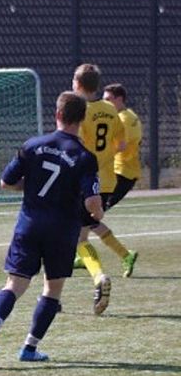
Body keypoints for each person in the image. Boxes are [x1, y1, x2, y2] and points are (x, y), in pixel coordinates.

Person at [0, 92, 102, 364]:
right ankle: (29, 348)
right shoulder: (85, 157)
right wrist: (96, 212)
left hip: (29, 225)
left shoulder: (32, 145)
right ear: (82, 119)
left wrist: (28, 187)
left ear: (57, 114)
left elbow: (6, 182)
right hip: (62, 231)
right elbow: (92, 203)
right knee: (52, 290)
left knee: (15, 284)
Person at [70, 64, 126, 315]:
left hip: (84, 181)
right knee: (80, 233)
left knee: (77, 238)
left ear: (78, 84)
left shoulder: (79, 111)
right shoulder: (111, 111)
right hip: (107, 180)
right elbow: (121, 143)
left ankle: (98, 277)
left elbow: (76, 145)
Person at [101, 83, 142, 277]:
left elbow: (119, 147)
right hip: (116, 173)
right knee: (86, 216)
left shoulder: (124, 120)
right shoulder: (128, 116)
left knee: (90, 216)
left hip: (120, 175)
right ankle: (79, 254)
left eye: (108, 99)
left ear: (119, 99)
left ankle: (126, 254)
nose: (105, 102)